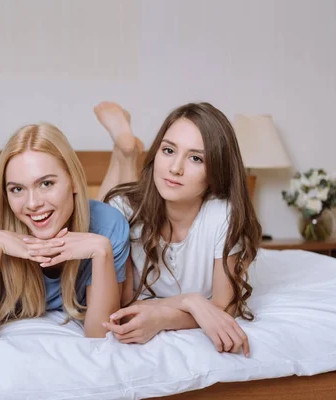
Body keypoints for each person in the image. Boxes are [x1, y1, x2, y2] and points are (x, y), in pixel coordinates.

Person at [95, 101, 261, 357]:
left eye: (196, 158)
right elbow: (120, 303)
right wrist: (190, 301)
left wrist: (163, 317)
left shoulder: (222, 216)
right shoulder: (126, 210)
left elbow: (224, 307)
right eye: (168, 150)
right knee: (105, 216)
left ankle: (125, 152)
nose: (175, 168)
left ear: (217, 169)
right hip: (131, 206)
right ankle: (125, 152)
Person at [0, 123, 130, 338]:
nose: (32, 203)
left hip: (97, 217)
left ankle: (125, 155)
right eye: (17, 189)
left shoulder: (109, 226)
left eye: (46, 184)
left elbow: (101, 336)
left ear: (74, 181)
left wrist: (101, 251)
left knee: (121, 200)